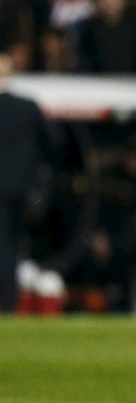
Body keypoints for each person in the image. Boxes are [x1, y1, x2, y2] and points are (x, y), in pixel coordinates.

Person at [0, 52, 53, 312]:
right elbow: (54, 144)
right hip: (20, 188)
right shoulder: (28, 107)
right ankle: (8, 301)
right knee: (11, 244)